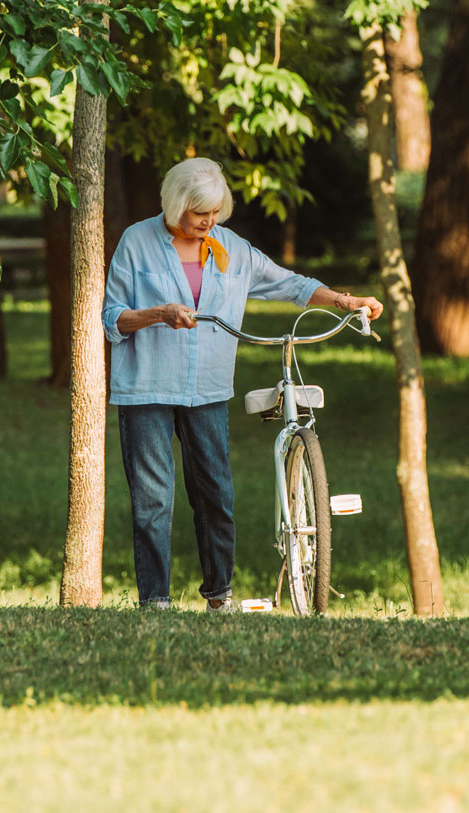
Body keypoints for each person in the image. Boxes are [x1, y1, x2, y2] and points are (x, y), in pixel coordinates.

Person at [102, 157, 383, 611]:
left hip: (208, 389)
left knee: (217, 494)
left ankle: (219, 596)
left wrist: (345, 301)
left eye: (215, 212)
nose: (208, 222)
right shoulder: (137, 242)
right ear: (176, 205)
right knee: (153, 501)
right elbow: (112, 317)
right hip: (147, 387)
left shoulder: (231, 247)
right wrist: (159, 313)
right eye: (199, 213)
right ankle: (155, 602)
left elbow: (290, 284)